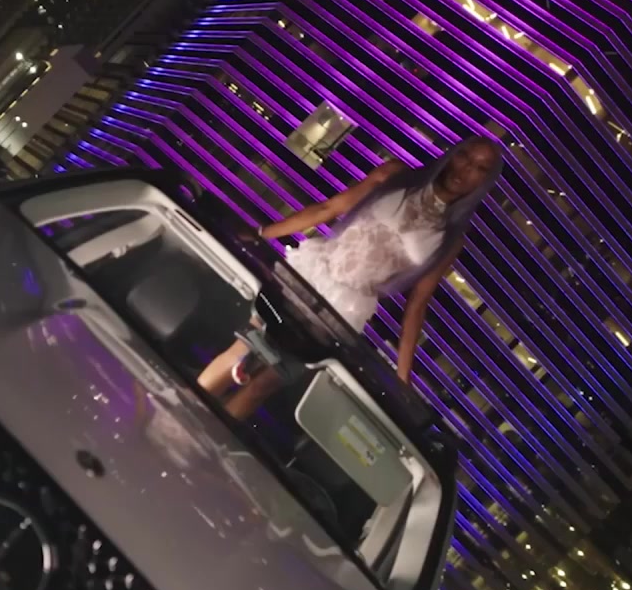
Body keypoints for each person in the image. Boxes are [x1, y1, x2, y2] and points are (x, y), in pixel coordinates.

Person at [197, 135, 505, 420]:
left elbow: (417, 305)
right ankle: (187, 409)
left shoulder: (451, 239)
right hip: (315, 272)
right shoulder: (396, 174)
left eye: (480, 168)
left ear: (485, 181)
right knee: (243, 348)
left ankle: (206, 435)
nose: (466, 169)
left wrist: (402, 379)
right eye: (465, 156)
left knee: (265, 383)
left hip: (345, 308)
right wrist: (261, 234)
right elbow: (328, 208)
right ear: (453, 153)